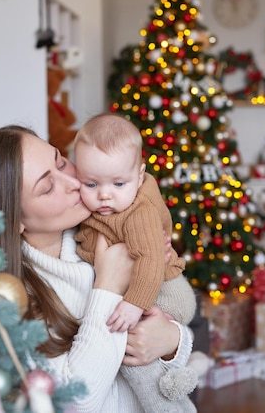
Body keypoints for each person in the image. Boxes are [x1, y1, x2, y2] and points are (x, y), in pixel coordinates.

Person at [0, 125, 194, 413]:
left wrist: (173, 340)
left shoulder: (104, 234)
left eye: (60, 161)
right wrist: (108, 287)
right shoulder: (9, 300)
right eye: (47, 186)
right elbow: (76, 401)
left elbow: (166, 313)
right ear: (14, 220)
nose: (72, 181)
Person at [73, 113, 198, 412]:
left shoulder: (137, 213)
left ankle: (170, 406)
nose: (104, 195)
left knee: (129, 351)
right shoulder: (100, 206)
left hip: (166, 290)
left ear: (140, 176)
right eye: (90, 184)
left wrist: (134, 304)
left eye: (118, 183)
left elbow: (151, 258)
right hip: (144, 288)